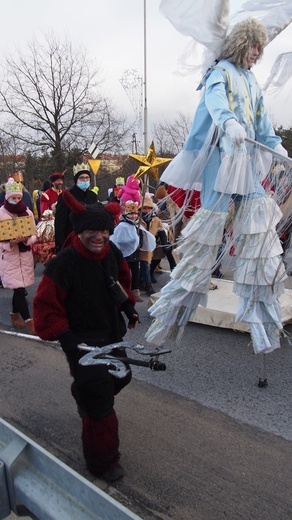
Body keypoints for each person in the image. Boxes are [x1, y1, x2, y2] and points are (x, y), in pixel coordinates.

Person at [145, 18, 289, 355]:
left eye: (260, 49)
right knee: (209, 229)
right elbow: (215, 102)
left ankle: (261, 325)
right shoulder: (220, 72)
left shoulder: (252, 81)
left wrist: (275, 143)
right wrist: (228, 121)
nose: (257, 54)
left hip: (246, 161)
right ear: (241, 44)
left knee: (258, 234)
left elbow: (262, 119)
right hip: (219, 158)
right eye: (254, 47)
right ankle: (169, 316)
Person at [33, 190, 139, 481]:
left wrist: (129, 307)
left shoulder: (112, 253)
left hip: (111, 332)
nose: (99, 237)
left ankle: (83, 394)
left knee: (122, 376)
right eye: (92, 230)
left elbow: (121, 281)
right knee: (100, 403)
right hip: (79, 339)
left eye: (104, 230)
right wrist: (65, 338)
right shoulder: (64, 264)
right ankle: (102, 462)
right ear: (79, 232)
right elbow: (45, 308)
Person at [0, 177, 37, 333]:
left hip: (25, 255)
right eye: (13, 198)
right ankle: (30, 322)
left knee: (19, 288)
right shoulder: (1, 213)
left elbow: (34, 233)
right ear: (8, 198)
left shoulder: (27, 211)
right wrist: (11, 243)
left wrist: (27, 240)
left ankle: (14, 316)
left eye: (19, 197)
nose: (16, 200)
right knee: (19, 289)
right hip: (10, 257)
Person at [54, 163, 98, 252]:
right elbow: (60, 223)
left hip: (90, 241)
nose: (85, 180)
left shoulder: (92, 196)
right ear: (76, 180)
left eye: (87, 178)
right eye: (82, 178)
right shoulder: (66, 196)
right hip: (72, 240)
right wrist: (60, 246)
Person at [110, 200, 144, 302]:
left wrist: (139, 240)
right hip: (125, 255)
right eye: (131, 214)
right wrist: (131, 240)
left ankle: (135, 292)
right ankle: (124, 293)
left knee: (135, 273)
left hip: (135, 254)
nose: (133, 216)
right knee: (125, 274)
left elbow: (140, 238)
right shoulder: (122, 226)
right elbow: (118, 240)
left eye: (135, 214)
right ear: (126, 214)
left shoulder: (136, 225)